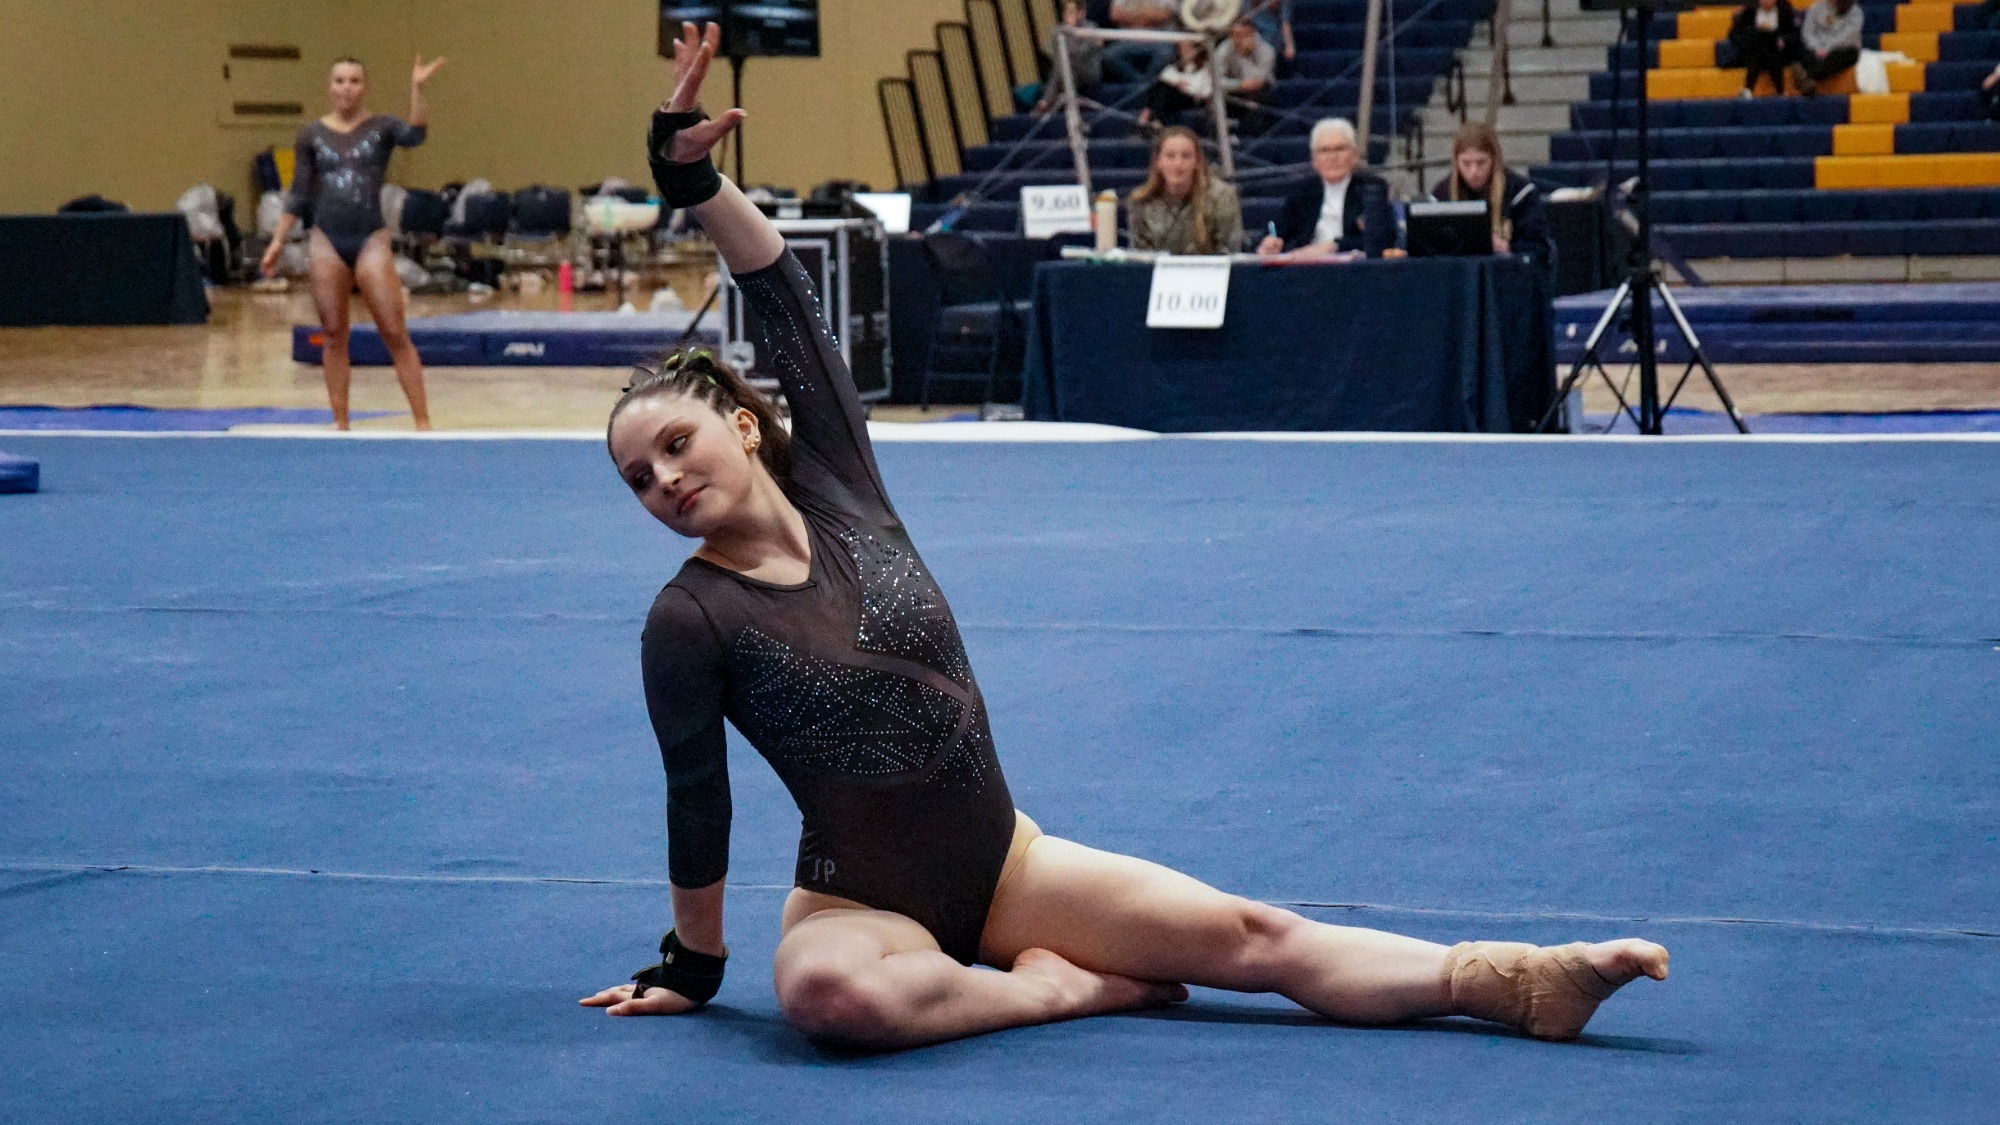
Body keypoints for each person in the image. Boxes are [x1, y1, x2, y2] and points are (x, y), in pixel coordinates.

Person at [582, 22, 1672, 1051]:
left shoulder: (837, 480)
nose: (664, 480)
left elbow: (780, 292)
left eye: (675, 445)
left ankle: (1515, 982)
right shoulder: (689, 618)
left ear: (737, 420)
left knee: (1254, 937)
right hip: (857, 904)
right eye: (638, 477)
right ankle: (1052, 994)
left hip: (1009, 866)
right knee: (825, 994)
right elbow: (698, 797)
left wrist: (693, 184)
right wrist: (693, 962)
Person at [261, 55, 445, 431]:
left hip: (370, 239)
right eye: (340, 80)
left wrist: (418, 90)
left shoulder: (381, 128)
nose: (347, 88)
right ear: (329, 88)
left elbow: (416, 135)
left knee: (394, 331)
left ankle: (423, 422)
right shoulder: (311, 135)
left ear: (365, 87)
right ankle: (340, 421)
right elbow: (297, 194)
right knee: (332, 333)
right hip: (327, 239)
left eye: (355, 80)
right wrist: (278, 241)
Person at [1258, 117, 1392, 258]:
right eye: (1324, 151)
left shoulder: (1372, 187)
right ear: (1314, 159)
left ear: (1354, 155)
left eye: (1340, 149)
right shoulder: (1303, 190)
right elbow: (1278, 230)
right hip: (1305, 268)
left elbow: (1380, 237)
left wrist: (1334, 246)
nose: (1332, 157)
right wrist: (1270, 242)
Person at [1429, 122, 1554, 267]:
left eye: (1481, 162)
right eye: (1466, 163)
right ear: (1456, 162)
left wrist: (1506, 248)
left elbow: (1539, 250)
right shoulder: (1441, 195)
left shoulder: (1520, 193)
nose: (1474, 172)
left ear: (1494, 159)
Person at [1127, 127, 1245, 254]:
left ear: (1197, 162)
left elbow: (1230, 252)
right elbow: (1141, 258)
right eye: (1170, 156)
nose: (1178, 164)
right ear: (1158, 162)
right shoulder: (1140, 201)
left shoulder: (1223, 196)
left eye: (1186, 156)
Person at [1035, 0, 1104, 112]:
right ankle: (1068, 103)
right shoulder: (1057, 31)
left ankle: (1046, 101)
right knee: (1063, 66)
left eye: (1071, 11)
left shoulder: (1091, 27)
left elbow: (1081, 53)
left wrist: (1071, 34)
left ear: (1081, 13)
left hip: (1089, 71)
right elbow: (1057, 54)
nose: (1068, 14)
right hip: (1068, 71)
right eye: (1066, 11)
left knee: (1063, 66)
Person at [1727, 0, 1801, 98]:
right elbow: (1735, 34)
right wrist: (1749, 41)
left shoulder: (1785, 12)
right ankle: (1747, 90)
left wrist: (1783, 41)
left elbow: (1793, 34)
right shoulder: (1749, 12)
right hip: (1754, 50)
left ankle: (1780, 91)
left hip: (1778, 51)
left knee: (1774, 57)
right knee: (1755, 58)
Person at [1136, 39, 1213, 131]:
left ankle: (1147, 114)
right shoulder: (1174, 67)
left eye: (1188, 49)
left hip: (1192, 98)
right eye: (1181, 49)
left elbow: (1206, 89)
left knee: (1165, 88)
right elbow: (1163, 78)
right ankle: (1157, 120)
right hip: (1173, 96)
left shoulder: (1205, 69)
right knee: (1162, 87)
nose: (1184, 52)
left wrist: (1184, 87)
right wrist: (1176, 83)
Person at [1214, 18, 1279, 122]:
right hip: (1232, 91)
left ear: (1252, 33)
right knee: (1214, 99)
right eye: (1236, 35)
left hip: (1260, 92)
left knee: (1257, 98)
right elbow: (1216, 81)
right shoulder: (1223, 50)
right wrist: (1237, 85)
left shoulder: (1267, 51)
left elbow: (1255, 82)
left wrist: (1244, 55)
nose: (1240, 40)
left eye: (1244, 35)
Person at [1101, 0, 1181, 85]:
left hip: (1161, 38)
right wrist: (1146, 15)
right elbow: (1115, 14)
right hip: (1128, 39)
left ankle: (1143, 90)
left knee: (1165, 55)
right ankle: (1143, 88)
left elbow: (1165, 14)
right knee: (1109, 57)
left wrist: (1132, 15)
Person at [1792, 0, 1861, 95]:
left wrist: (1827, 49)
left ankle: (1807, 78)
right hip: (1817, 49)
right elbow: (1807, 32)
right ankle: (1809, 78)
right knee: (1800, 50)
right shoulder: (1815, 7)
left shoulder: (1854, 11)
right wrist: (1816, 48)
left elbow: (1847, 36)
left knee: (1845, 55)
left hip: (1841, 49)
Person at [1245, 0, 1298, 73]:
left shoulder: (1284, 2)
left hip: (1272, 33)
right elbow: (1244, 19)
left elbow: (1285, 23)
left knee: (1270, 38)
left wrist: (1289, 45)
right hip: (1252, 30)